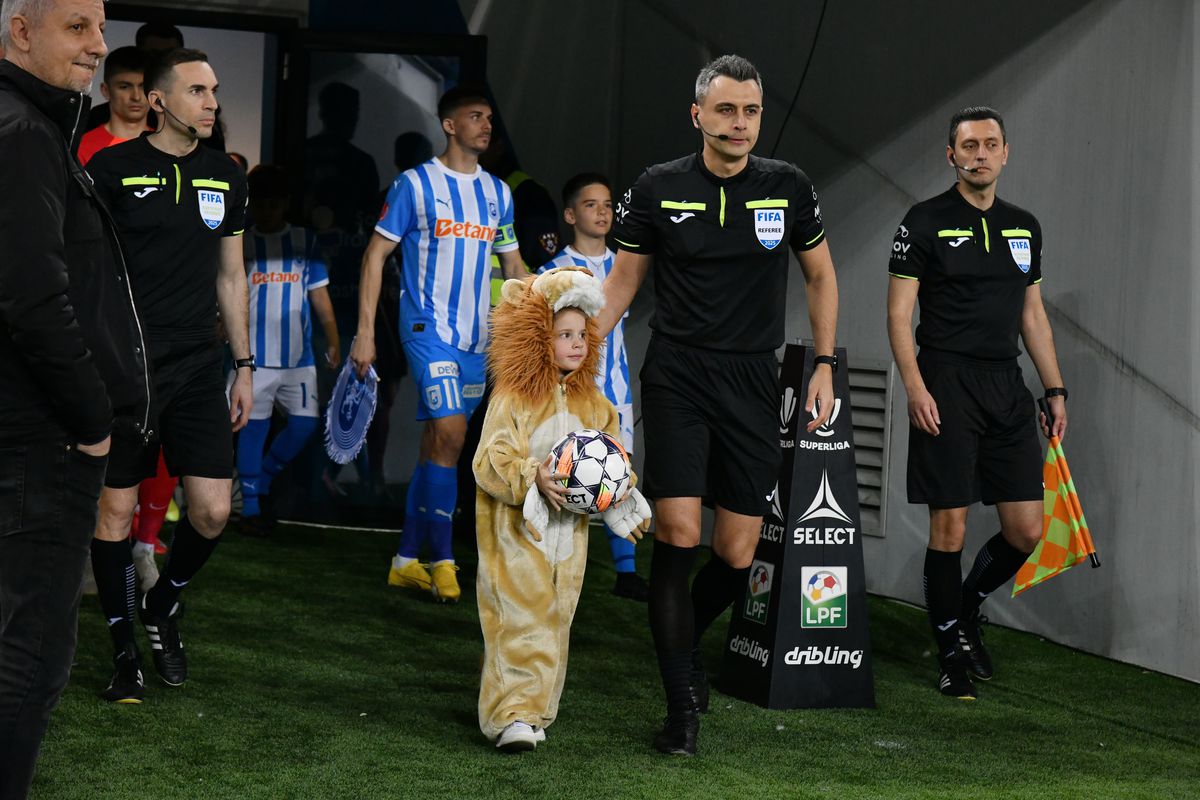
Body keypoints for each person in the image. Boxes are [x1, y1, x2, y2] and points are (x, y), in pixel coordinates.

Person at [599, 54, 839, 756]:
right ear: (698, 114)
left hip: (753, 380)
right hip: (677, 374)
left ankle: (687, 650)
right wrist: (578, 352)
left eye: (751, 111)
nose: (740, 123)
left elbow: (821, 278)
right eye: (727, 109)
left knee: (736, 553)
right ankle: (681, 709)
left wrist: (824, 365)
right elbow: (622, 282)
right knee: (677, 534)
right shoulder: (658, 186)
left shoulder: (788, 186)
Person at [0, 0, 149, 793]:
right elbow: (33, 299)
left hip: (31, 436)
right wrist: (93, 421)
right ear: (21, 31)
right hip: (40, 442)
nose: (99, 45)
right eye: (77, 27)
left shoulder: (30, 127)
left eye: (100, 26)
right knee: (30, 653)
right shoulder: (24, 133)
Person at [86, 48, 252, 701]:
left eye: (214, 90)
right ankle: (123, 650)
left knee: (212, 510)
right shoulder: (109, 168)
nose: (212, 102)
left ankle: (163, 605)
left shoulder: (226, 175)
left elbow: (231, 276)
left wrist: (243, 367)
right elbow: (84, 269)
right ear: (159, 101)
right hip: (124, 365)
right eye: (198, 91)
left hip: (196, 364)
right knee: (115, 511)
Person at [886, 106, 1068, 701]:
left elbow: (1032, 316)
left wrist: (1054, 389)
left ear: (1006, 153)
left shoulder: (1024, 226)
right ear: (952, 155)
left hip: (1005, 386)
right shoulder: (924, 221)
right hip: (945, 382)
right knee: (951, 528)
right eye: (969, 145)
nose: (980, 154)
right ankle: (949, 655)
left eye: (991, 144)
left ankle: (964, 608)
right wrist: (916, 385)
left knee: (1027, 530)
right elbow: (898, 314)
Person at [350, 85, 525, 604]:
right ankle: (444, 560)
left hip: (477, 338)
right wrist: (365, 333)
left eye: (490, 117)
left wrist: (548, 305)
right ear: (449, 125)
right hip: (427, 330)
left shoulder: (498, 193)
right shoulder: (414, 184)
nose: (486, 125)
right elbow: (374, 256)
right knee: (450, 435)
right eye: (475, 116)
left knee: (438, 446)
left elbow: (513, 266)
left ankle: (406, 560)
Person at [472, 267, 650, 752]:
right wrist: (531, 475)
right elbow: (488, 461)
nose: (576, 344)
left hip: (568, 541)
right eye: (563, 335)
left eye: (581, 335)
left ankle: (535, 710)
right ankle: (511, 716)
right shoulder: (513, 397)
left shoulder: (596, 405)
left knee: (555, 619)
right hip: (516, 534)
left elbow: (612, 458)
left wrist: (621, 493)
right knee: (520, 619)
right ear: (537, 339)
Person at [539, 173, 647, 601]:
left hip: (616, 390)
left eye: (608, 204)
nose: (602, 212)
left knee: (618, 474)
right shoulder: (551, 271)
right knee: (566, 475)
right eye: (590, 204)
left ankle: (626, 572)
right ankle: (553, 566)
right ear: (570, 215)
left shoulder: (626, 263)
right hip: (569, 393)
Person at [236, 164, 339, 536]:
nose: (267, 212)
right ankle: (250, 507)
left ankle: (261, 481)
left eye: (274, 204)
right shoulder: (241, 241)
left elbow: (319, 295)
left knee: (304, 426)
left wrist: (333, 338)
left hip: (298, 359)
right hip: (253, 359)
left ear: (285, 204)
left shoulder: (304, 241)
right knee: (253, 429)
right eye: (261, 204)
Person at [76, 45, 149, 165]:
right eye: (124, 87)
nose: (136, 96)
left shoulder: (167, 144)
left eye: (143, 86)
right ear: (106, 90)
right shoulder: (84, 148)